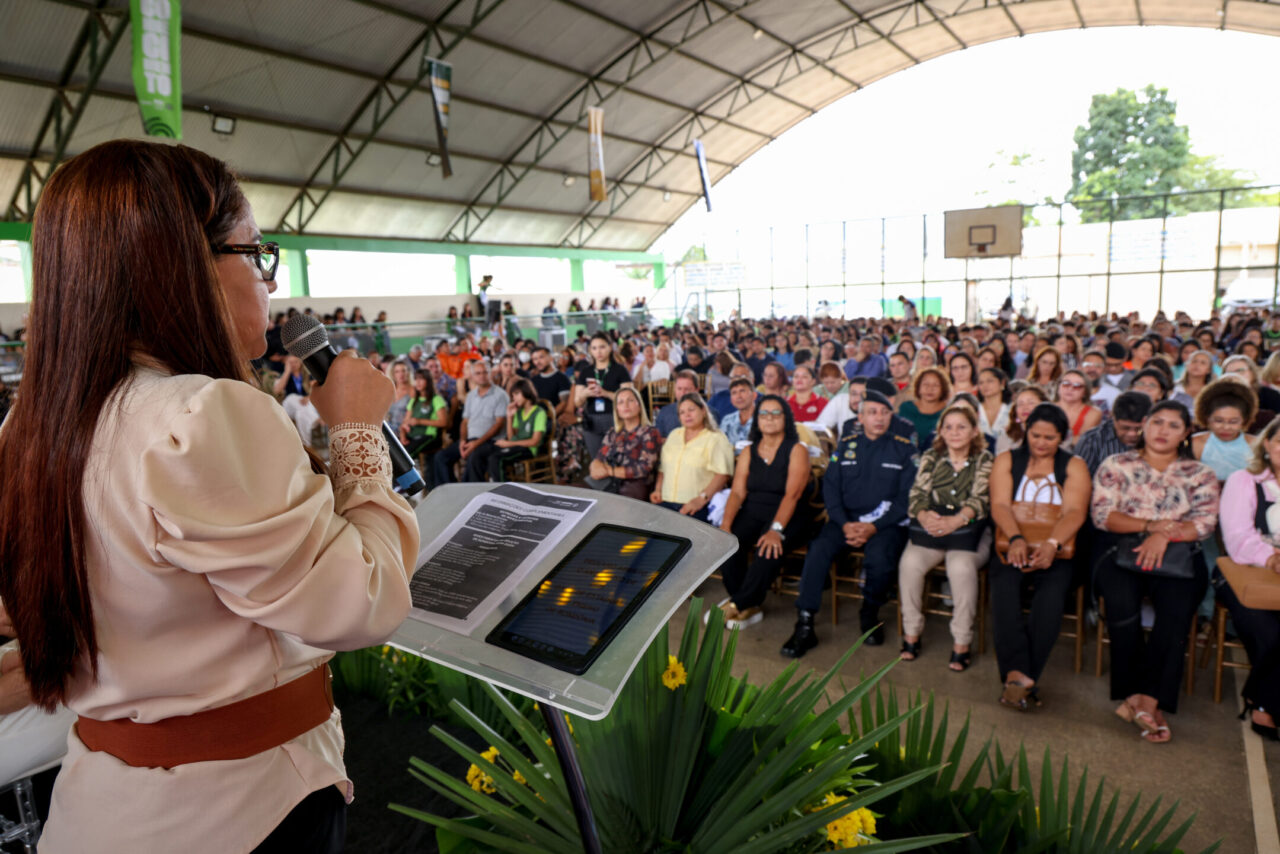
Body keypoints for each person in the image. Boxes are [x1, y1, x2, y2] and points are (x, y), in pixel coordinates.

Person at [0, 140, 419, 852]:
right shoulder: (197, 416)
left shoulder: (29, 426)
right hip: (240, 809)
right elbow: (363, 600)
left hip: (107, 805)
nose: (266, 282)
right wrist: (357, 433)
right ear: (185, 264)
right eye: (255, 253)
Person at [1092, 401, 1219, 744]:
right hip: (1121, 550)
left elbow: (1204, 524)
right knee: (1122, 606)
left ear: (1186, 433)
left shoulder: (1199, 473)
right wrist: (1151, 527)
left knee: (1176, 614)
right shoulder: (1117, 464)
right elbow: (1103, 516)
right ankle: (1135, 695)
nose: (1163, 431)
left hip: (1179, 554)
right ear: (1145, 425)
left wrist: (1164, 536)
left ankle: (1148, 700)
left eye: (1173, 425)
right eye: (1158, 422)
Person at [782, 391, 917, 656]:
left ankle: (870, 612)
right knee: (818, 550)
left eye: (885, 412)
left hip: (885, 525)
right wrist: (844, 524)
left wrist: (874, 527)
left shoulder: (904, 450)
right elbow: (831, 488)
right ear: (860, 417)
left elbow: (906, 498)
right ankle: (805, 622)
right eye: (872, 412)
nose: (879, 418)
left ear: (891, 416)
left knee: (881, 559)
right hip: (846, 520)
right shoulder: (846, 446)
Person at [989, 404, 1091, 711]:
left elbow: (1075, 512)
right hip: (1013, 540)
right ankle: (1022, 677)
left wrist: (1051, 544)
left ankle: (1018, 677)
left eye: (1050, 437)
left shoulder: (1073, 465)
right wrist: (1016, 538)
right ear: (1026, 431)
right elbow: (1000, 506)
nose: (1041, 442)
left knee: (1051, 595)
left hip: (1057, 544)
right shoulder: (1007, 460)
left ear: (1062, 437)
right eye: (1035, 435)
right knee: (1004, 587)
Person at [897, 405, 993, 671]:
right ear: (940, 431)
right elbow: (917, 494)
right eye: (948, 427)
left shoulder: (984, 459)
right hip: (933, 528)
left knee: (960, 567)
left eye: (961, 427)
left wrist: (957, 519)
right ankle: (911, 632)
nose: (954, 432)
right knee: (909, 564)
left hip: (968, 532)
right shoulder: (931, 456)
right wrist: (924, 515)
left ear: (974, 431)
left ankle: (962, 641)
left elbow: (981, 499)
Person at [715, 394, 811, 629]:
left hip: (789, 513)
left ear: (786, 418)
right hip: (753, 510)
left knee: (768, 548)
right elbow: (737, 493)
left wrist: (775, 530)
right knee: (729, 544)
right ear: (757, 420)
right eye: (764, 413)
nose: (769, 418)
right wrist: (725, 525)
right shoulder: (749, 451)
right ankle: (747, 605)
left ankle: (737, 604)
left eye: (776, 413)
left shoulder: (797, 450)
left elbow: (792, 495)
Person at [1219, 417, 1280, 741]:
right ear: (1267, 444)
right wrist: (1271, 557)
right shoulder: (1244, 480)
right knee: (1270, 633)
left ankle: (1261, 697)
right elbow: (1237, 538)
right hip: (1243, 574)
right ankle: (1265, 705)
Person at [650, 393, 734, 522]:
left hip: (694, 506)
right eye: (682, 412)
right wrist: (657, 490)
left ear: (703, 411)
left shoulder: (716, 438)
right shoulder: (674, 435)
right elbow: (663, 468)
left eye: (691, 410)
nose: (687, 415)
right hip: (666, 503)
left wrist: (701, 499)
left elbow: (723, 475)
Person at [433, 359, 509, 486]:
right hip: (470, 440)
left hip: (491, 441)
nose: (482, 376)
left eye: (485, 372)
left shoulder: (500, 395)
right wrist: (463, 441)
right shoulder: (471, 396)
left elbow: (498, 425)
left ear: (490, 373)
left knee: (474, 456)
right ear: (472, 376)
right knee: (441, 457)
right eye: (478, 373)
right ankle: (450, 490)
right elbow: (465, 421)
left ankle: (469, 491)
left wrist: (475, 444)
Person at [585, 385, 661, 500]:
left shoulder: (650, 432)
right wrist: (594, 467)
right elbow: (599, 458)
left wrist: (610, 471)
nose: (625, 405)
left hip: (635, 484)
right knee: (579, 492)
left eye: (630, 400)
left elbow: (643, 468)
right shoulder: (613, 432)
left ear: (639, 405)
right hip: (609, 480)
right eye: (620, 402)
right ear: (617, 410)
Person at [468, 378, 546, 482]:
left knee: (495, 459)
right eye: (513, 396)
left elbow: (534, 441)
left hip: (527, 449)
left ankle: (502, 488)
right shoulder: (519, 412)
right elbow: (511, 437)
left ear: (526, 391)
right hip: (514, 446)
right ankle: (478, 485)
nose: (514, 398)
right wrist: (509, 416)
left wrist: (509, 444)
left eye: (517, 394)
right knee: (478, 453)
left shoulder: (539, 413)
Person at [574, 333, 632, 461]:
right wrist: (585, 394)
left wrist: (606, 393)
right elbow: (577, 402)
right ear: (590, 350)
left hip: (614, 418)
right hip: (591, 420)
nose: (598, 352)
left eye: (602, 347)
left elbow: (629, 399)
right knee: (597, 460)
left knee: (616, 459)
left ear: (610, 347)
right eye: (594, 348)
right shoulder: (586, 372)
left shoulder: (620, 370)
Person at [1073, 391, 1153, 476]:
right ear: (1113, 418)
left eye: (1139, 429)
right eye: (1125, 428)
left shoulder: (1158, 439)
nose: (1132, 434)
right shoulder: (1091, 440)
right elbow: (1080, 478)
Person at [401, 368, 449, 463]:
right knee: (395, 449)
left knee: (406, 454)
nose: (418, 382)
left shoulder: (436, 399)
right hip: (412, 435)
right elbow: (405, 423)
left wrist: (419, 421)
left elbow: (443, 422)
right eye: (416, 379)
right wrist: (403, 435)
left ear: (428, 381)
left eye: (421, 379)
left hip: (429, 436)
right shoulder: (413, 400)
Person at [899, 367, 950, 450]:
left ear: (943, 389)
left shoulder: (948, 411)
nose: (930, 389)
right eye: (926, 384)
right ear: (918, 387)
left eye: (936, 385)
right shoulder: (906, 408)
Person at [1054, 368, 1102, 449]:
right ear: (1058, 386)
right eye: (1066, 384)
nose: (1070, 388)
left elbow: (1082, 440)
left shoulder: (1094, 413)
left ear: (1085, 392)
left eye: (1077, 386)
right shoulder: (1045, 409)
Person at [655, 371, 700, 437]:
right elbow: (658, 438)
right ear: (674, 389)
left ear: (696, 390)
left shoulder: (708, 413)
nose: (682, 393)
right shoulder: (664, 412)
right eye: (679, 389)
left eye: (687, 389)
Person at [718, 376, 758, 446]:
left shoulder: (764, 418)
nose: (738, 396)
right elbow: (721, 446)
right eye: (734, 393)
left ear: (754, 395)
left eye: (742, 391)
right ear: (731, 400)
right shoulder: (727, 420)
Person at [977, 367, 1011, 438]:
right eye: (981, 382)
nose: (985, 385)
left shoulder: (1011, 410)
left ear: (1002, 383)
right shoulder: (974, 409)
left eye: (990, 381)